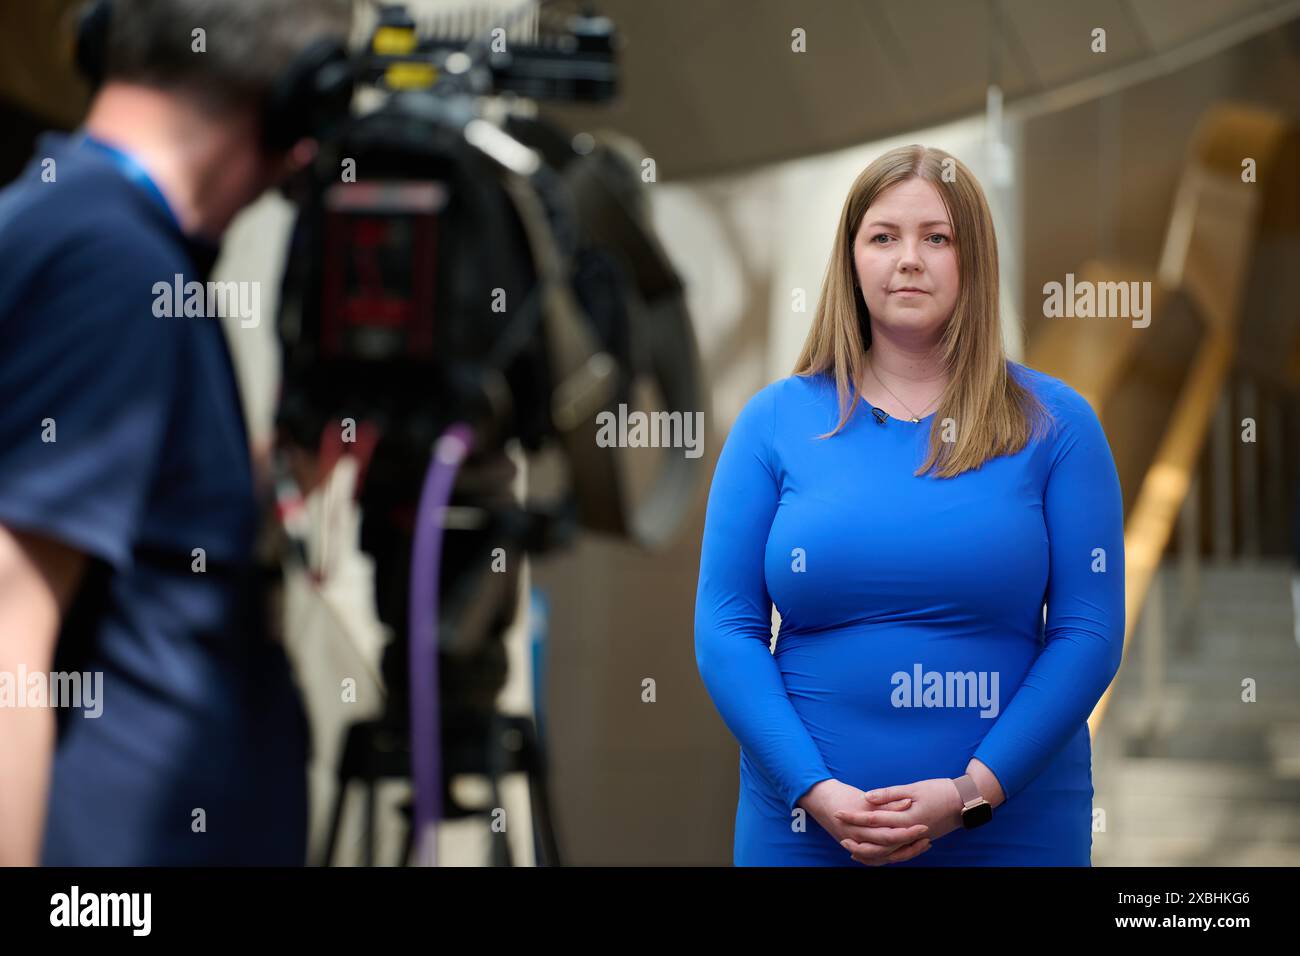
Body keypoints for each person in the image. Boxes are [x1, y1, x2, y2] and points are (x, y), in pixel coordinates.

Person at [694, 144, 1126, 866]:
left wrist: (970, 796)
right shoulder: (773, 422)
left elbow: (1089, 632)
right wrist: (816, 792)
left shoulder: (1059, 424)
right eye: (883, 237)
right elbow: (725, 629)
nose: (909, 259)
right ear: (851, 259)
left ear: (974, 259)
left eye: (938, 237)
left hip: (1007, 828)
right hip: (807, 830)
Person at [0, 0, 353, 865]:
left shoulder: (77, 225)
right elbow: (8, 610)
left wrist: (268, 478)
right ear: (301, 99)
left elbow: (125, 532)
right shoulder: (110, 264)